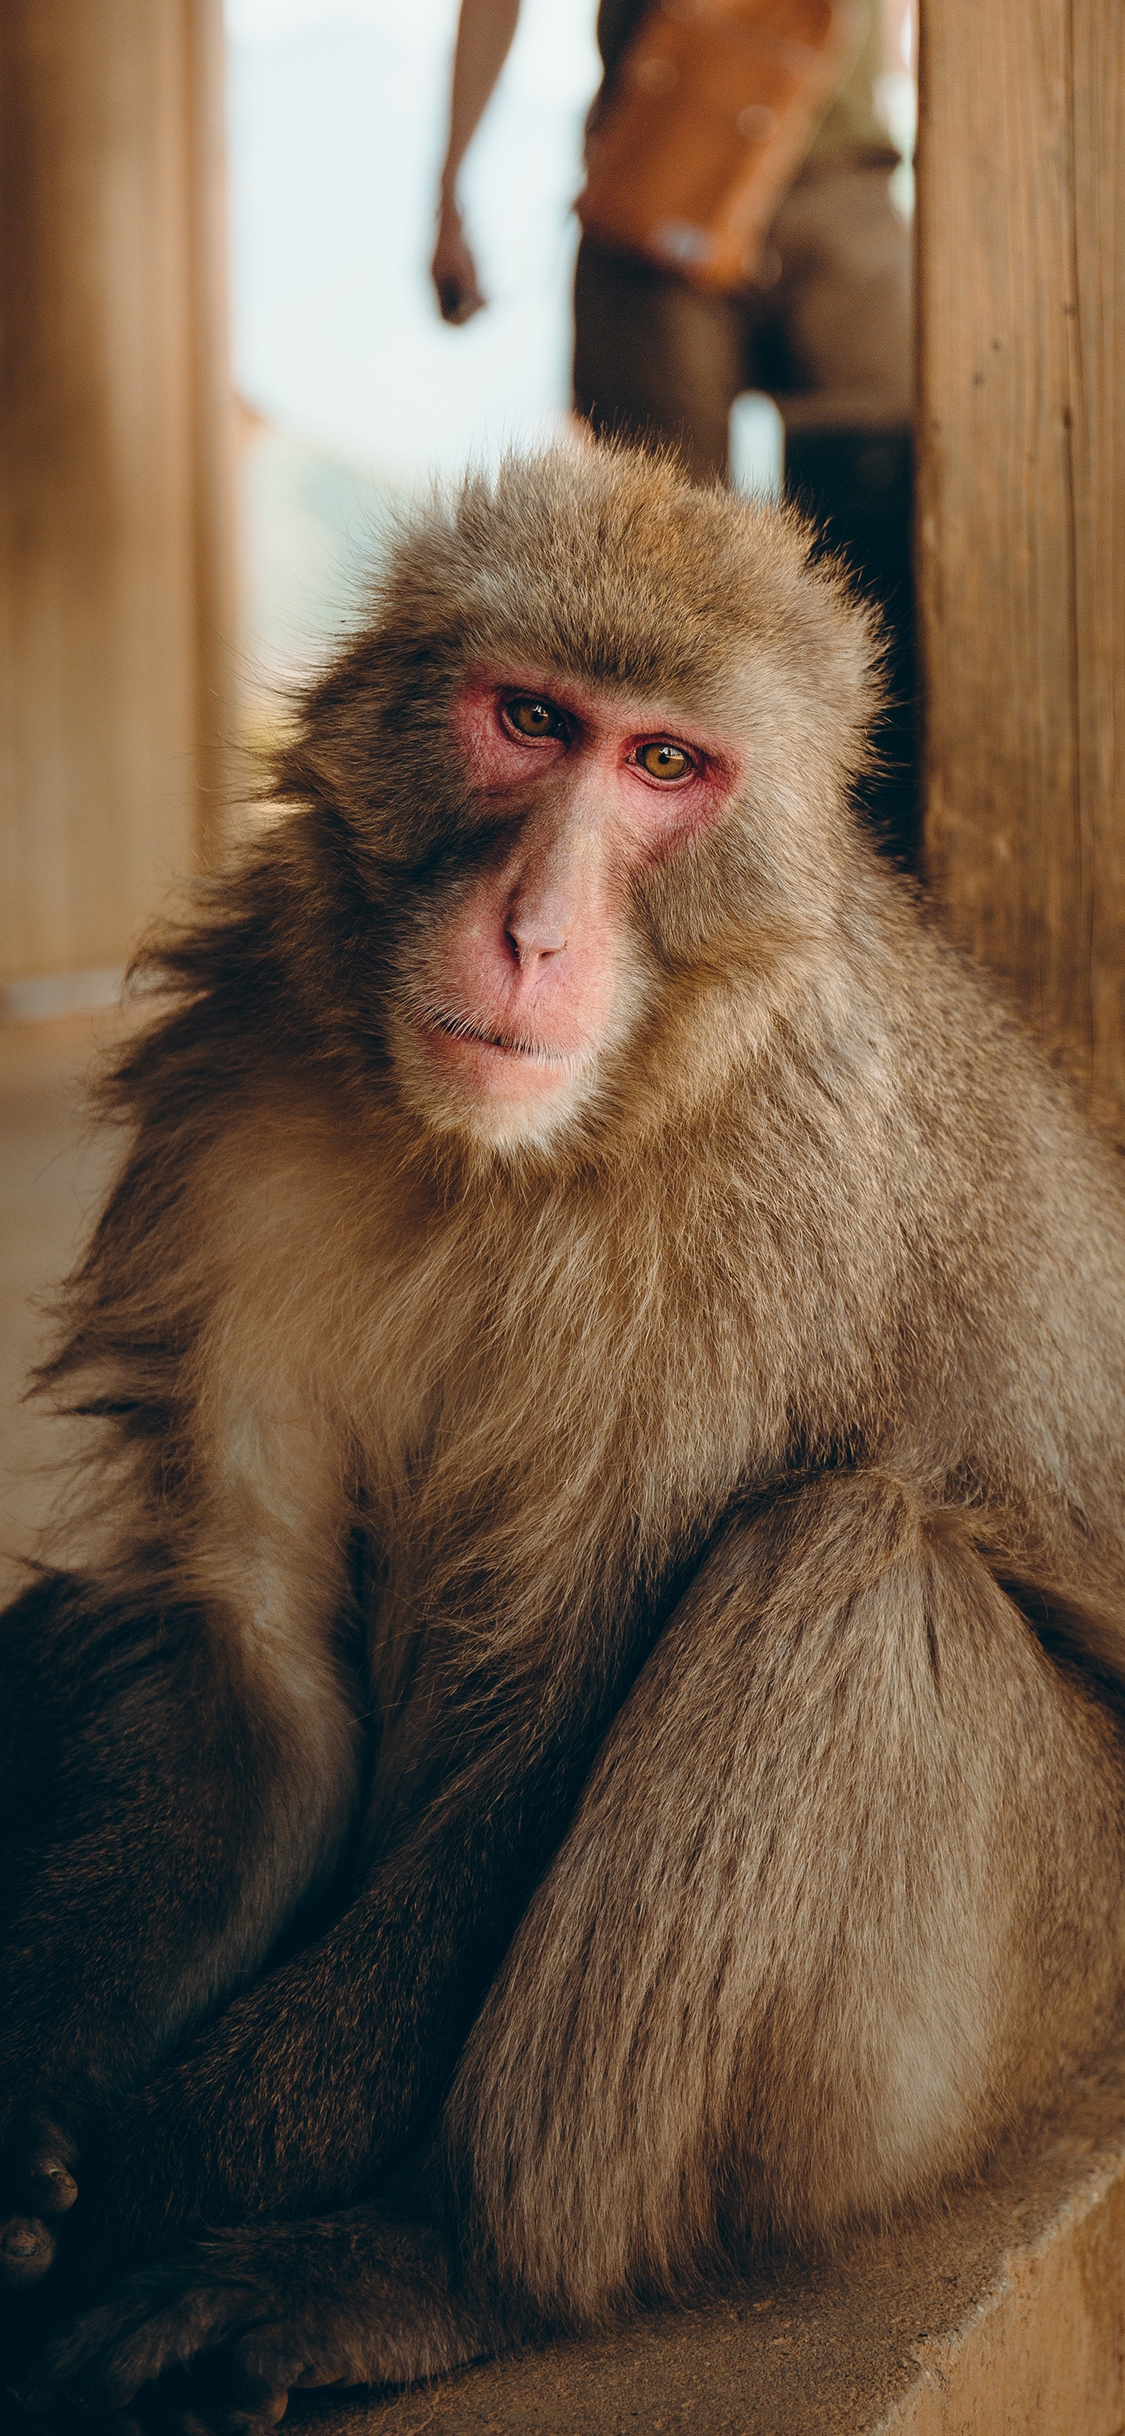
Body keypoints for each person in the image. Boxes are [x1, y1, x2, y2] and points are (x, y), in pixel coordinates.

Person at [432, 0, 917, 858]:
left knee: (888, 553)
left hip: (836, 178)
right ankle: (652, 875)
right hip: (660, 166)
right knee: (656, 582)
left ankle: (872, 866)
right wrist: (449, 194)